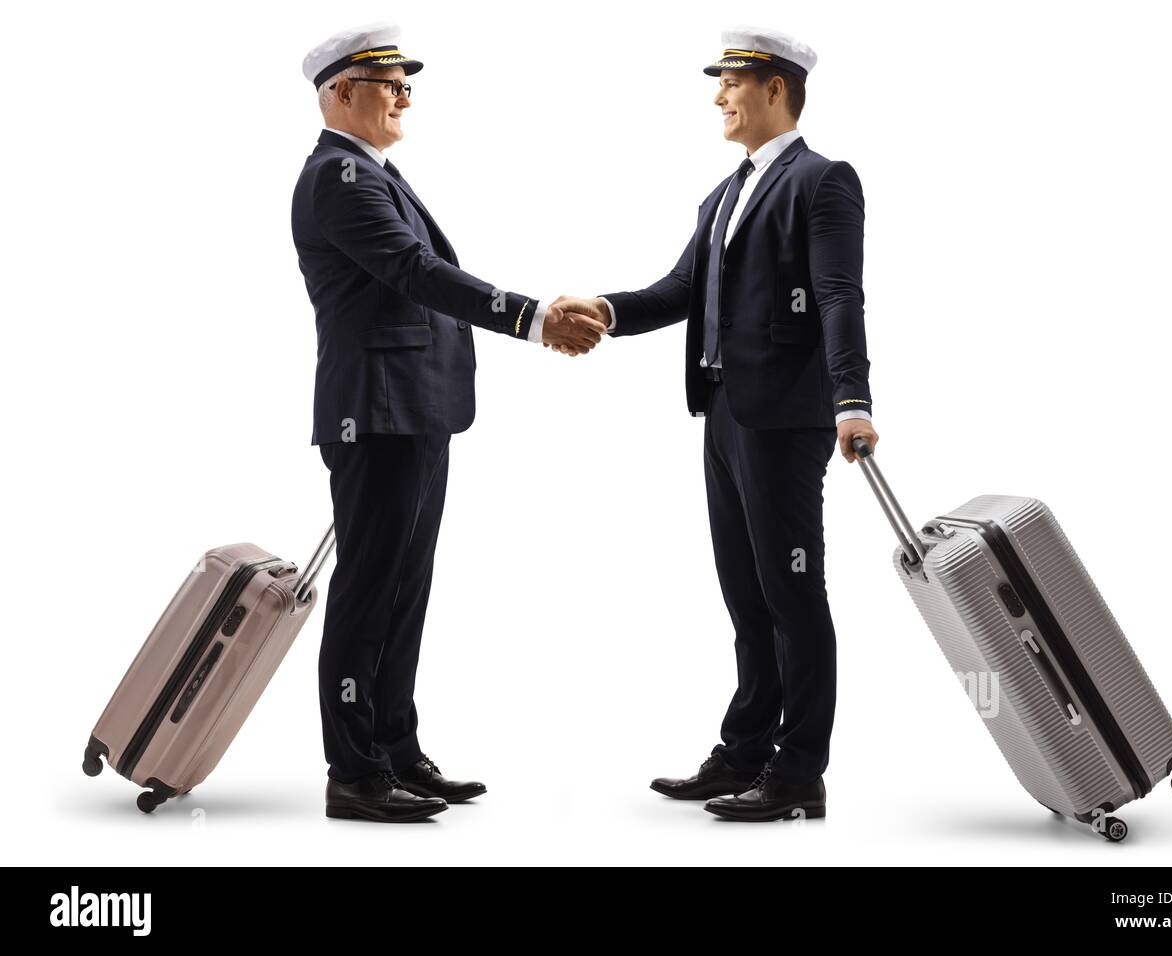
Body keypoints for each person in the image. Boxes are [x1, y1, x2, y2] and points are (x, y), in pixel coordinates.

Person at [552, 26, 878, 822]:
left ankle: (799, 771)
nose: (719, 95)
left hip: (787, 420)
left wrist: (852, 398)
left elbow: (839, 294)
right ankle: (743, 753)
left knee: (793, 593)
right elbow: (680, 291)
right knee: (746, 594)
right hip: (725, 413)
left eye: (731, 80)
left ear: (775, 87)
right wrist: (606, 310)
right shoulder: (724, 194)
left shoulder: (823, 181)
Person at [292, 22, 605, 822]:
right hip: (378, 413)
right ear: (339, 91)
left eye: (407, 81)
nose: (403, 92)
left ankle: (395, 747)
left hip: (415, 412)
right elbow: (413, 270)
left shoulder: (373, 173)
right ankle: (354, 773)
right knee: (369, 594)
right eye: (385, 80)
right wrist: (532, 316)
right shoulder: (341, 177)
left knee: (404, 592)